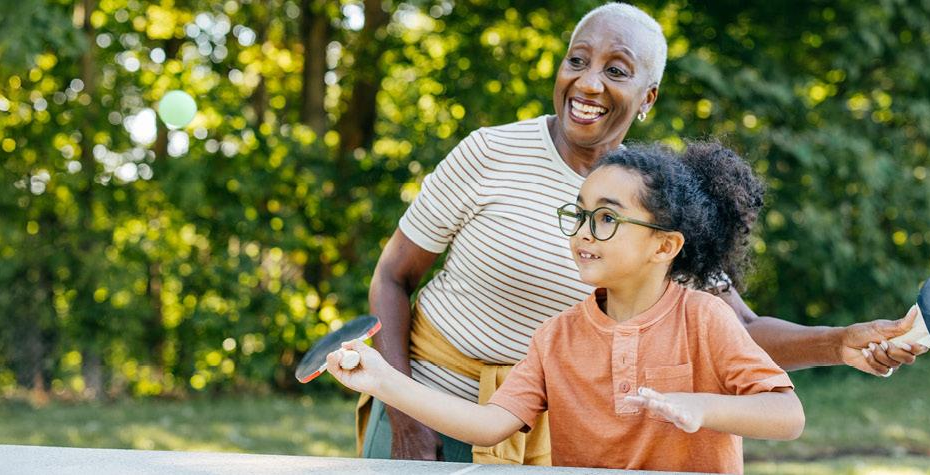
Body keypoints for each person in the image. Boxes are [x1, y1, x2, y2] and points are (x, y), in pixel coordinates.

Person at [358, 2, 926, 463]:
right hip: (427, 397)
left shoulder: (652, 196)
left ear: (648, 96)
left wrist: (839, 341)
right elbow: (392, 277)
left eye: (617, 70)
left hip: (546, 428)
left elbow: (742, 329)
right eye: (577, 60)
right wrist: (407, 419)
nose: (589, 82)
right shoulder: (489, 152)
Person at [335, 142, 805, 473]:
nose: (583, 231)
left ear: (664, 247)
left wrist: (701, 408)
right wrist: (383, 380)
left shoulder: (705, 317)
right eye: (580, 214)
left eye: (606, 218)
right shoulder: (555, 336)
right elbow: (488, 425)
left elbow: (787, 415)